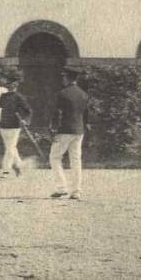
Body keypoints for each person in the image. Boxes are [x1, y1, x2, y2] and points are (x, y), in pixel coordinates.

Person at [49, 67, 90, 200]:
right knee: (76, 160)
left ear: (67, 78)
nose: (62, 79)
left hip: (64, 130)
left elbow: (56, 113)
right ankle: (76, 191)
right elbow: (86, 114)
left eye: (64, 77)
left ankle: (61, 188)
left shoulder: (62, 93)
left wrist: (53, 129)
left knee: (54, 158)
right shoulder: (83, 94)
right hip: (79, 130)